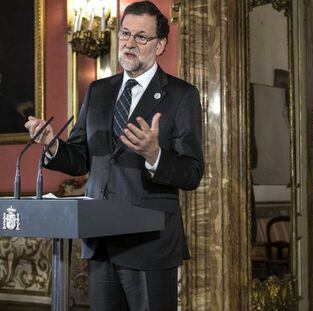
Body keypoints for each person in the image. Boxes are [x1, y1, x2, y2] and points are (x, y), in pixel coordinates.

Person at [25, 1, 204, 310]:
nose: (129, 43)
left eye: (141, 37)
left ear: (160, 45)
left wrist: (154, 155)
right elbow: (81, 158)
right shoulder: (98, 91)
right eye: (124, 33)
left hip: (149, 243)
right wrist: (53, 144)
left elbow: (192, 172)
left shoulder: (180, 95)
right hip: (100, 240)